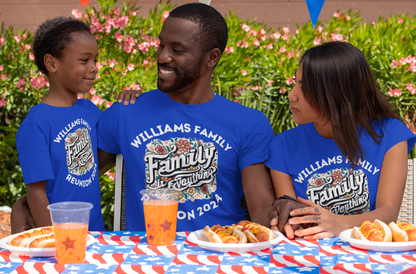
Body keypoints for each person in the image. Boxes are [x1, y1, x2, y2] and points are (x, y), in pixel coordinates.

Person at [97, 3, 276, 232]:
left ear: (211, 58)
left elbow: (261, 209)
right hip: (147, 258)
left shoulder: (249, 124)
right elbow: (77, 178)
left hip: (219, 256)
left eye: (177, 50)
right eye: (161, 44)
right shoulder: (125, 112)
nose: (162, 56)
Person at [266, 41, 416, 240]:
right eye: (294, 83)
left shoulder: (389, 134)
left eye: (302, 88)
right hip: (308, 257)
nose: (292, 95)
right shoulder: (283, 145)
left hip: (370, 254)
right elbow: (292, 222)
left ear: (334, 94)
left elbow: (388, 214)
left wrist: (339, 223)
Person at [12, 17, 139, 233]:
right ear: (52, 63)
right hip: (62, 238)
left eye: (95, 60)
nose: (94, 68)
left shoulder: (90, 111)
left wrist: (132, 101)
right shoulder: (36, 124)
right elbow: (36, 193)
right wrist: (54, 241)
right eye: (84, 60)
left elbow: (102, 155)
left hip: (94, 233)